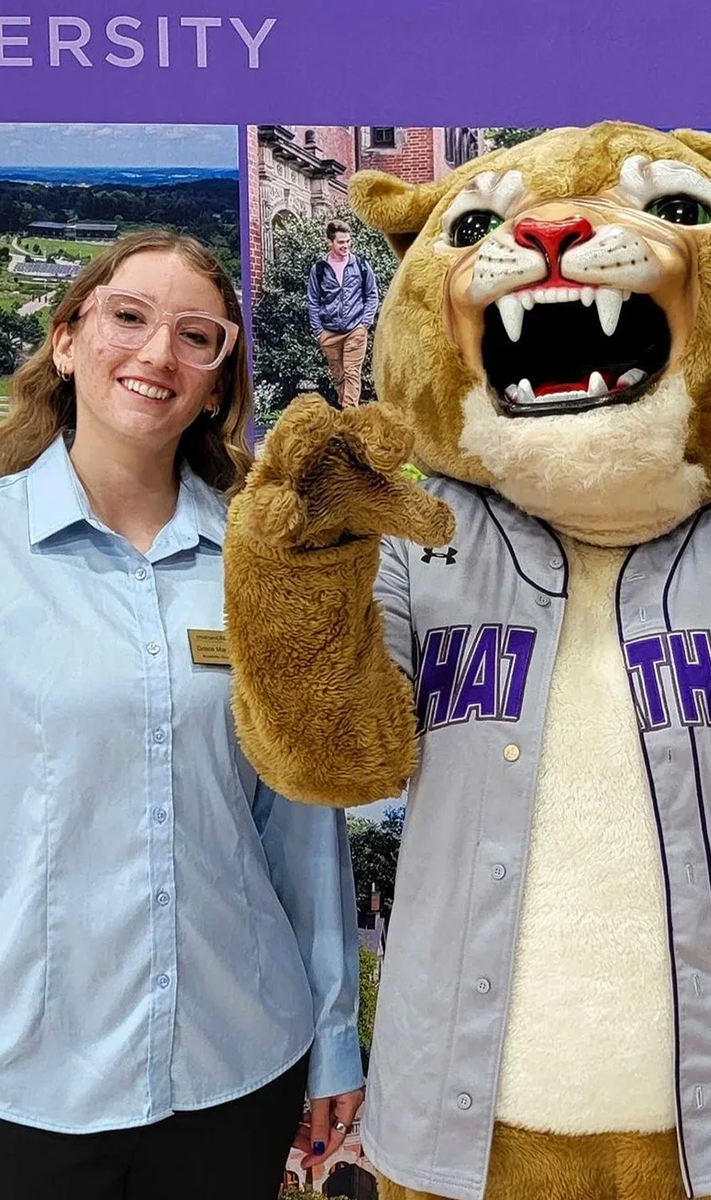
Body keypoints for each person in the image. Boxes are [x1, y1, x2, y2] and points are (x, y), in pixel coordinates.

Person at [0, 229, 364, 1199]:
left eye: (195, 336)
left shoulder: (261, 560)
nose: (157, 354)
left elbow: (300, 820)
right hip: (27, 1075)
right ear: (69, 338)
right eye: (129, 318)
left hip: (234, 1060)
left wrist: (332, 1042)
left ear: (217, 380)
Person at [307, 220, 379, 409]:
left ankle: (349, 414)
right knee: (338, 375)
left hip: (355, 329)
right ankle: (345, 408)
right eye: (341, 242)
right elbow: (313, 300)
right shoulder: (319, 269)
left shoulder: (361, 265)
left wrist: (365, 324)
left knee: (352, 372)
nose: (345, 246)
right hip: (329, 333)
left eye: (348, 241)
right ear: (330, 242)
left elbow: (372, 294)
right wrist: (319, 332)